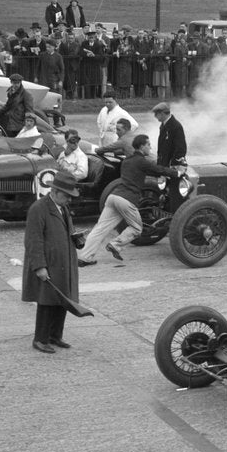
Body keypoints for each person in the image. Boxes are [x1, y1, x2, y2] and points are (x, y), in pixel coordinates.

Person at [78, 134, 180, 266]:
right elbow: (158, 169)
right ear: (142, 146)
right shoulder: (142, 161)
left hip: (113, 197)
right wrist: (177, 173)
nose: (150, 147)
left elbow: (148, 172)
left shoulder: (126, 161)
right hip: (126, 199)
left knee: (100, 228)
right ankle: (115, 244)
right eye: (148, 145)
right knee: (137, 228)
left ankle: (84, 257)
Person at [22, 170, 82, 353]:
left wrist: (77, 239)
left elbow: (66, 230)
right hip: (49, 264)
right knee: (47, 302)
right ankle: (41, 339)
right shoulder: (39, 209)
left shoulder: (61, 208)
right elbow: (33, 240)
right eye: (66, 196)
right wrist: (39, 266)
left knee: (62, 300)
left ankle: (55, 336)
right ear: (54, 191)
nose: (69, 200)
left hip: (63, 262)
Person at [0, 72, 36, 137]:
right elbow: (7, 106)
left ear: (20, 83)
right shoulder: (11, 92)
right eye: (14, 83)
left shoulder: (26, 94)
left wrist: (28, 125)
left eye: (18, 83)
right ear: (11, 82)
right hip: (11, 122)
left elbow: (29, 111)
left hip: (20, 123)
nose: (16, 85)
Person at [153, 102, 186, 166]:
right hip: (164, 163)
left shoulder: (175, 126)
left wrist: (172, 164)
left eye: (156, 114)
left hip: (172, 165)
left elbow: (181, 148)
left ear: (162, 113)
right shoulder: (164, 124)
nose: (155, 116)